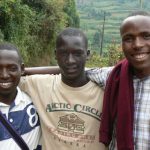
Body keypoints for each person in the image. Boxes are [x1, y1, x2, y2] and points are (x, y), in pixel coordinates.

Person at [20, 27, 107, 150]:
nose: (70, 60)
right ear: (56, 55)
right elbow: (9, 77)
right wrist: (24, 71)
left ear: (87, 55)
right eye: (63, 53)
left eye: (77, 54)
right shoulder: (40, 85)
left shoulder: (105, 91)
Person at [86, 11, 150, 150]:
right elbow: (75, 70)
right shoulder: (114, 76)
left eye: (146, 36)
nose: (137, 45)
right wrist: (28, 71)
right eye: (128, 38)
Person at [0, 43, 41, 150]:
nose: (4, 75)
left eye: (12, 68)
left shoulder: (35, 100)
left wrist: (87, 71)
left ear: (22, 69)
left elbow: (67, 73)